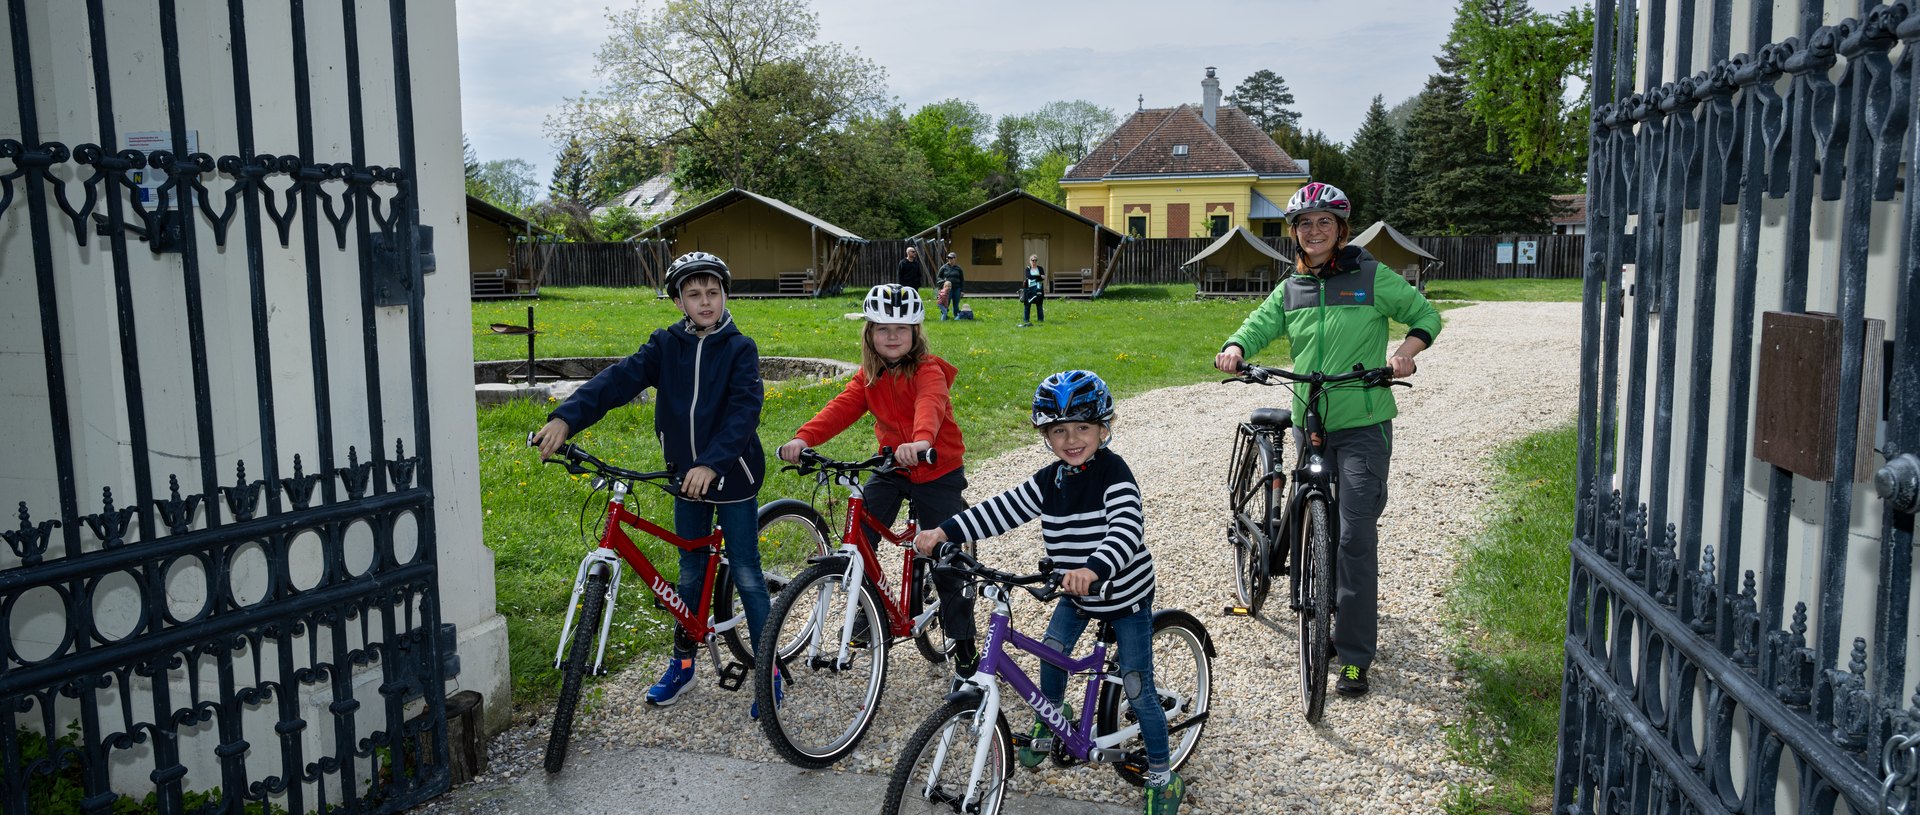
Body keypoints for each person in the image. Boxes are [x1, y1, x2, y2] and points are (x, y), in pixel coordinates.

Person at [914, 370, 1185, 814]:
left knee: (1137, 686)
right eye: (1059, 430)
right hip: (1074, 594)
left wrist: (1093, 568)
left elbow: (1125, 530)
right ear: (1046, 434)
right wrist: (945, 530)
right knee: (1052, 652)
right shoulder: (1051, 480)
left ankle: (1161, 774)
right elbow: (1002, 509)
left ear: (1103, 428)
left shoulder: (1114, 474)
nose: (1072, 439)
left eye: (1082, 427)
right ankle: (1051, 720)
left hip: (1125, 595)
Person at [1212, 182, 1441, 699]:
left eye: (1325, 222)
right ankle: (1299, 575)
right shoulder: (1291, 286)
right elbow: (1257, 323)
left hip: (1363, 421)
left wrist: (1405, 353)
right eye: (1305, 224)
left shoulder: (1369, 274)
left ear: (1341, 230)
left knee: (1355, 536)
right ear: (1294, 233)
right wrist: (1234, 345)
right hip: (1308, 417)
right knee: (1317, 513)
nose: (1314, 232)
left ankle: (1356, 655)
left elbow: (1425, 316)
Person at [532, 251, 774, 716]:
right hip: (685, 479)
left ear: (724, 295)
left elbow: (744, 412)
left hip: (733, 477)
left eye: (712, 292)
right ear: (679, 301)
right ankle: (683, 664)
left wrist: (712, 463)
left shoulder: (739, 348)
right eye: (693, 294)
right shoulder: (666, 345)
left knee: (745, 571)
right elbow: (617, 381)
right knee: (689, 571)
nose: (705, 302)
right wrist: (566, 419)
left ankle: (768, 672)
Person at [775, 284, 980, 681]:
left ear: (916, 333)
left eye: (901, 329)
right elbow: (840, 409)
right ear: (868, 332)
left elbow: (930, 404)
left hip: (936, 469)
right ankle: (869, 615)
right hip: (893, 467)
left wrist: (921, 441)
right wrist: (803, 439)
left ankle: (964, 644)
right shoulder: (868, 377)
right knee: (859, 537)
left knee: (946, 559)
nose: (891, 336)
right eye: (882, 328)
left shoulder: (928, 370)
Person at [936, 252, 965, 320]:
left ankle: (956, 316)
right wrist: (943, 281)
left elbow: (962, 280)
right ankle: (944, 315)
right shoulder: (944, 267)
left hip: (957, 288)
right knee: (946, 303)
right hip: (947, 289)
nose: (950, 259)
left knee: (956, 303)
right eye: (948, 258)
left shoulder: (958, 268)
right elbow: (938, 277)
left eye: (951, 258)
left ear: (955, 259)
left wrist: (962, 290)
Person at [1020, 255, 1046, 327]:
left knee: (1039, 304)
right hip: (1029, 289)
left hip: (1038, 288)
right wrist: (1039, 276)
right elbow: (1028, 276)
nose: (1034, 261)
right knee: (1027, 305)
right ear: (1030, 261)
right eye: (1032, 260)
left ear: (1037, 261)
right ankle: (1026, 320)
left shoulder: (1040, 268)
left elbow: (1043, 278)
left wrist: (1036, 277)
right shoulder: (1027, 268)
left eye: (1035, 260)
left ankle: (1040, 320)